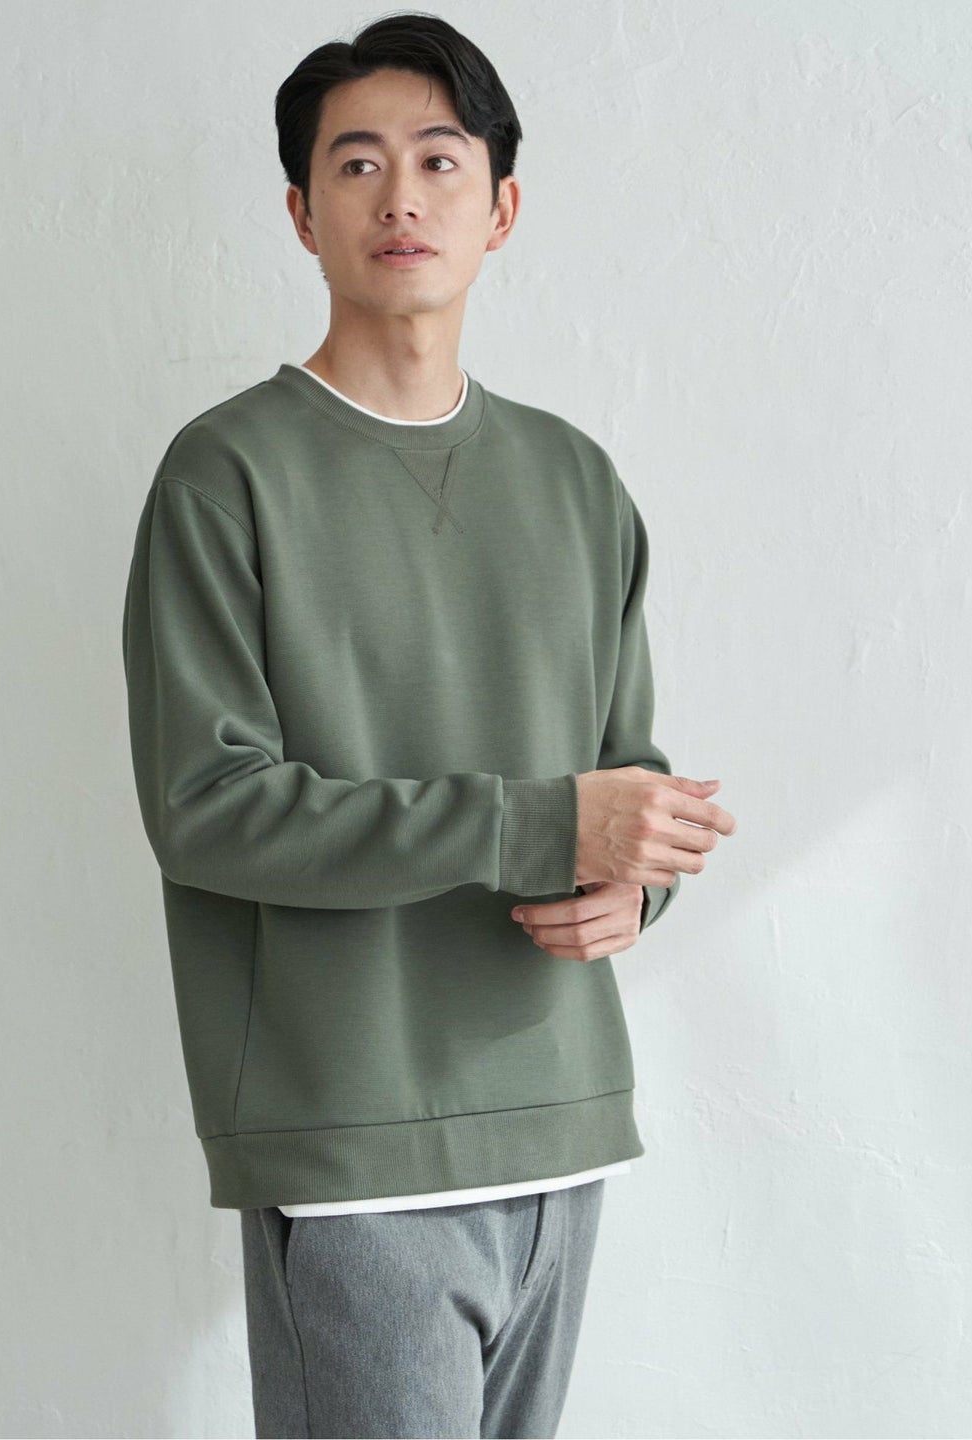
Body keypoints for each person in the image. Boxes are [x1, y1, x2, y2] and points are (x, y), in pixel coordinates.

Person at [121, 13, 737, 1438]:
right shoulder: (227, 475)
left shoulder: (577, 479)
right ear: (301, 212)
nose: (400, 196)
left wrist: (638, 882)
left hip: (565, 1123)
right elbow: (208, 808)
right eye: (356, 163)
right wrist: (541, 825)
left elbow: (625, 766)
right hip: (355, 1142)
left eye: (439, 160)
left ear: (500, 207)